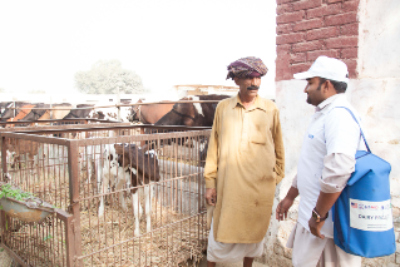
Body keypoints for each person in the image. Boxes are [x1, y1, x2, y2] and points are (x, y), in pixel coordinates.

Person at [276, 56, 363, 267]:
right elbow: (312, 164)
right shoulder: (325, 114)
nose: (306, 89)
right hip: (316, 218)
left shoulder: (339, 116)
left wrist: (319, 215)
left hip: (327, 226)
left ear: (326, 85)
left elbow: (339, 169)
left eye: (310, 82)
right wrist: (290, 196)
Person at [204, 56, 285, 267]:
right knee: (217, 242)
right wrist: (210, 183)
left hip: (259, 192)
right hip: (229, 190)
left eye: (258, 78)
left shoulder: (270, 109)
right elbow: (214, 147)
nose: (254, 83)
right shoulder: (223, 108)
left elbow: (278, 148)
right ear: (236, 80)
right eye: (249, 78)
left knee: (253, 242)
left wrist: (275, 177)